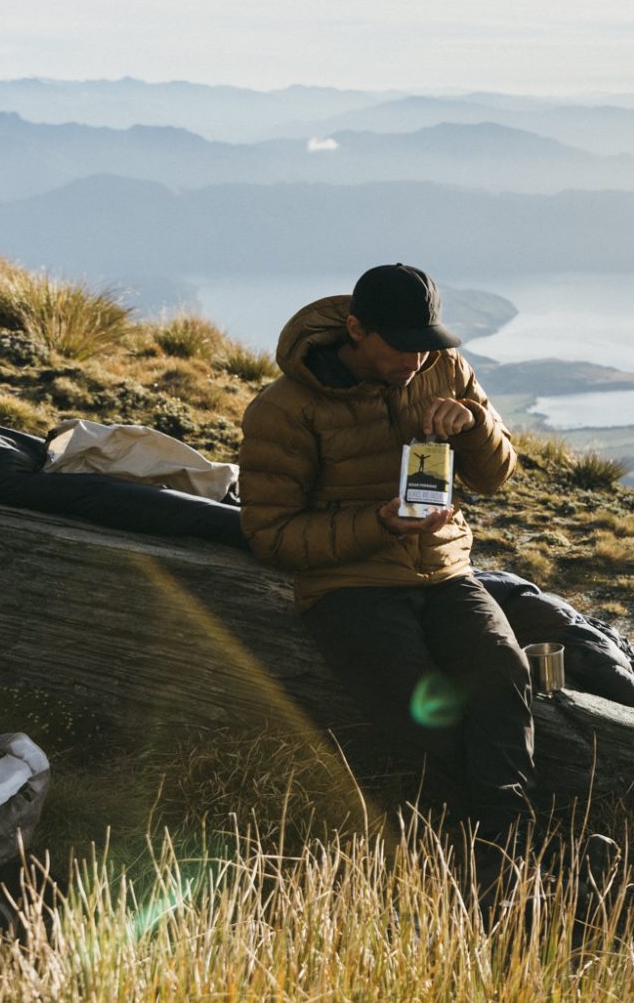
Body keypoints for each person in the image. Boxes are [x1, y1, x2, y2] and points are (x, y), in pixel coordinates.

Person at [237, 263, 537, 872]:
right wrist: (379, 524)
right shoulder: (285, 408)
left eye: (428, 343)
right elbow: (271, 537)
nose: (418, 359)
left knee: (504, 676)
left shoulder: (444, 369)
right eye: (402, 345)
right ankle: (450, 871)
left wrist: (474, 425)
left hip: (446, 570)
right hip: (351, 585)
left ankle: (507, 870)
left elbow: (497, 475)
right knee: (430, 716)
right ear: (355, 330)